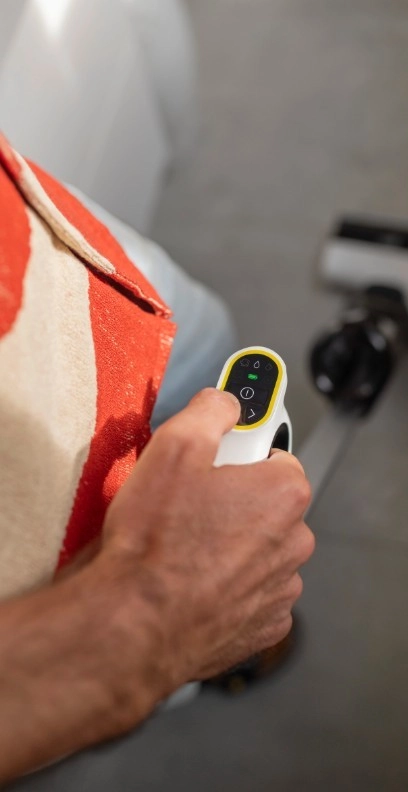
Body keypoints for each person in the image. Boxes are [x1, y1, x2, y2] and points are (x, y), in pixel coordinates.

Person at [0, 135, 315, 783]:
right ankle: (234, 650)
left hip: (55, 245)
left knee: (204, 344)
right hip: (50, 565)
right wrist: (155, 614)